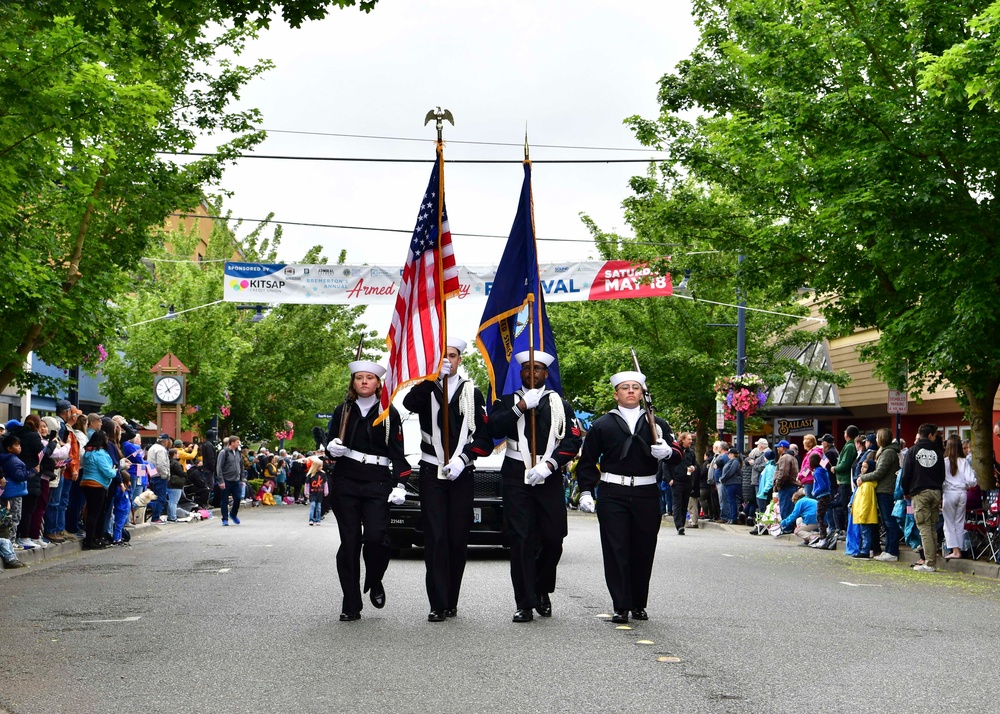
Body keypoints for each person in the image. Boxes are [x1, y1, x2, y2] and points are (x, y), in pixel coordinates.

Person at [575, 369, 678, 624]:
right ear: (616, 394)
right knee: (616, 548)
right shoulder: (602, 424)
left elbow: (678, 456)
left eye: (635, 387)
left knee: (643, 549)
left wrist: (667, 453)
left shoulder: (658, 424)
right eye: (625, 387)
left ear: (642, 393)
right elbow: (587, 462)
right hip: (613, 493)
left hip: (646, 492)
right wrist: (586, 490)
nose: (631, 391)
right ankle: (620, 604)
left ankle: (638, 603)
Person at [488, 350, 582, 624]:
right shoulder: (507, 401)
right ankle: (525, 602)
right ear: (521, 373)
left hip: (548, 474)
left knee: (553, 538)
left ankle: (541, 587)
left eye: (538, 369)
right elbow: (494, 427)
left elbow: (572, 441)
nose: (532, 373)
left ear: (545, 374)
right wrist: (520, 408)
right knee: (521, 539)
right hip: (517, 473)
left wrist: (549, 465)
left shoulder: (559, 404)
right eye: (527, 368)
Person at [402, 337, 491, 622]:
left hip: (461, 473)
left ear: (459, 360)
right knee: (436, 537)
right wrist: (430, 379)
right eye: (442, 356)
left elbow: (485, 439)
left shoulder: (471, 393)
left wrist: (464, 459)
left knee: (456, 539)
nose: (447, 361)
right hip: (431, 472)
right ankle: (437, 602)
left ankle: (451, 598)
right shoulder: (426, 389)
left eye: (451, 356)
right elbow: (408, 402)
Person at [326, 360, 410, 622]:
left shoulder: (388, 413)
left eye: (369, 378)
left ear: (378, 383)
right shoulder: (343, 411)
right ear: (353, 383)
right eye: (359, 377)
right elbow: (330, 443)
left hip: (377, 483)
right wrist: (332, 448)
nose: (364, 381)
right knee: (349, 543)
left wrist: (400, 484)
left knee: (376, 538)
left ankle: (375, 578)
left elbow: (398, 453)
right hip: (346, 481)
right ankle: (351, 603)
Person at [900, 424, 945, 572]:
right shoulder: (938, 452)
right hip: (935, 491)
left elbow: (905, 474)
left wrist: (906, 491)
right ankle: (932, 560)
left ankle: (929, 562)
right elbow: (942, 474)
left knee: (923, 527)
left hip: (920, 492)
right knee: (932, 526)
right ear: (931, 435)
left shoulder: (912, 451)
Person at [858, 428, 900, 561]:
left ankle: (892, 551)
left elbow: (880, 472)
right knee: (887, 522)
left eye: (877, 437)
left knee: (889, 521)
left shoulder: (888, 453)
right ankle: (888, 549)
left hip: (886, 490)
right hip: (883, 489)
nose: (876, 440)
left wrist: (863, 477)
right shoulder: (886, 452)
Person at [79, 429, 116, 550]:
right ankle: (90, 540)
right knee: (95, 514)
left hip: (85, 483)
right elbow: (107, 472)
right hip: (97, 485)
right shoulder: (100, 454)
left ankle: (90, 538)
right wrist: (114, 470)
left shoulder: (88, 453)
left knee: (90, 512)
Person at [942, 434, 977, 560]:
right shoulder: (964, 462)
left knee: (949, 523)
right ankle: (959, 548)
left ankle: (955, 550)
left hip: (949, 493)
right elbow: (972, 481)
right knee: (959, 522)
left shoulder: (944, 462)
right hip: (962, 493)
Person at [664, 432, 696, 534]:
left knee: (684, 503)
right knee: (677, 503)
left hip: (687, 480)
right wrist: (669, 479)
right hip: (676, 481)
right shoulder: (675, 451)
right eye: (689, 439)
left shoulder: (691, 453)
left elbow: (695, 464)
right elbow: (665, 465)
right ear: (682, 440)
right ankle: (679, 525)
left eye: (691, 439)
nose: (691, 441)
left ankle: (681, 523)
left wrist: (693, 468)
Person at [832, 426, 859, 536]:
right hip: (843, 480)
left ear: (847, 434)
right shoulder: (849, 446)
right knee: (841, 506)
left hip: (846, 480)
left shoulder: (849, 447)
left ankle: (847, 530)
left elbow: (845, 463)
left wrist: (835, 468)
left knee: (844, 506)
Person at [216, 436, 245, 526]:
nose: (238, 444)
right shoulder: (224, 452)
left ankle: (233, 514)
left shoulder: (238, 453)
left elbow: (241, 466)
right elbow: (219, 467)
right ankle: (225, 519)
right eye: (237, 442)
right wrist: (221, 481)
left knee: (237, 498)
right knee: (224, 500)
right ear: (231, 443)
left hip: (236, 480)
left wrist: (241, 478)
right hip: (226, 479)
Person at [772, 440, 798, 529]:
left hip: (786, 486)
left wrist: (778, 483)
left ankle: (787, 528)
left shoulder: (785, 458)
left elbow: (783, 473)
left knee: (785, 508)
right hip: (791, 486)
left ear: (783, 447)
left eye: (778, 447)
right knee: (790, 508)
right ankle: (789, 526)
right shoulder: (792, 457)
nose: (777, 449)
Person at [146, 433, 171, 523]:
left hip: (153, 474)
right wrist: (165, 474)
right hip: (160, 476)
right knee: (160, 498)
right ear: (165, 441)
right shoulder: (161, 450)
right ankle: (156, 517)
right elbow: (161, 464)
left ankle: (154, 515)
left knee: (155, 497)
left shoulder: (152, 448)